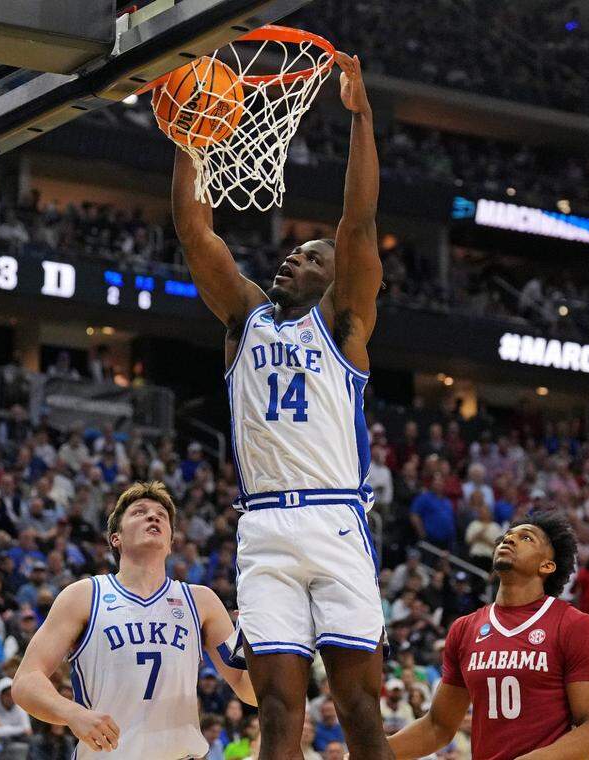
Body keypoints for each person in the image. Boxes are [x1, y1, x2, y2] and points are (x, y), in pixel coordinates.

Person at [171, 51, 389, 760]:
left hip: (334, 517)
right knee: (276, 712)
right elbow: (195, 233)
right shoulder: (245, 319)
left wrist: (361, 119)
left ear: (334, 279)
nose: (294, 258)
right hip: (263, 527)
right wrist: (189, 132)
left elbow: (359, 224)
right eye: (293, 252)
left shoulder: (345, 326)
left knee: (359, 709)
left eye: (312, 257)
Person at [12, 481, 255, 758]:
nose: (153, 516)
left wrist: (262, 645)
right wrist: (71, 713)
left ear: (171, 544)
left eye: (161, 515)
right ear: (116, 538)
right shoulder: (84, 595)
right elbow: (26, 681)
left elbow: (248, 691)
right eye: (140, 512)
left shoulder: (201, 601)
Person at [389, 512, 589, 760]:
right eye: (506, 537)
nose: (509, 540)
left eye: (526, 538)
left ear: (547, 565)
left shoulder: (575, 625)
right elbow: (437, 727)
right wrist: (366, 754)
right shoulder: (465, 629)